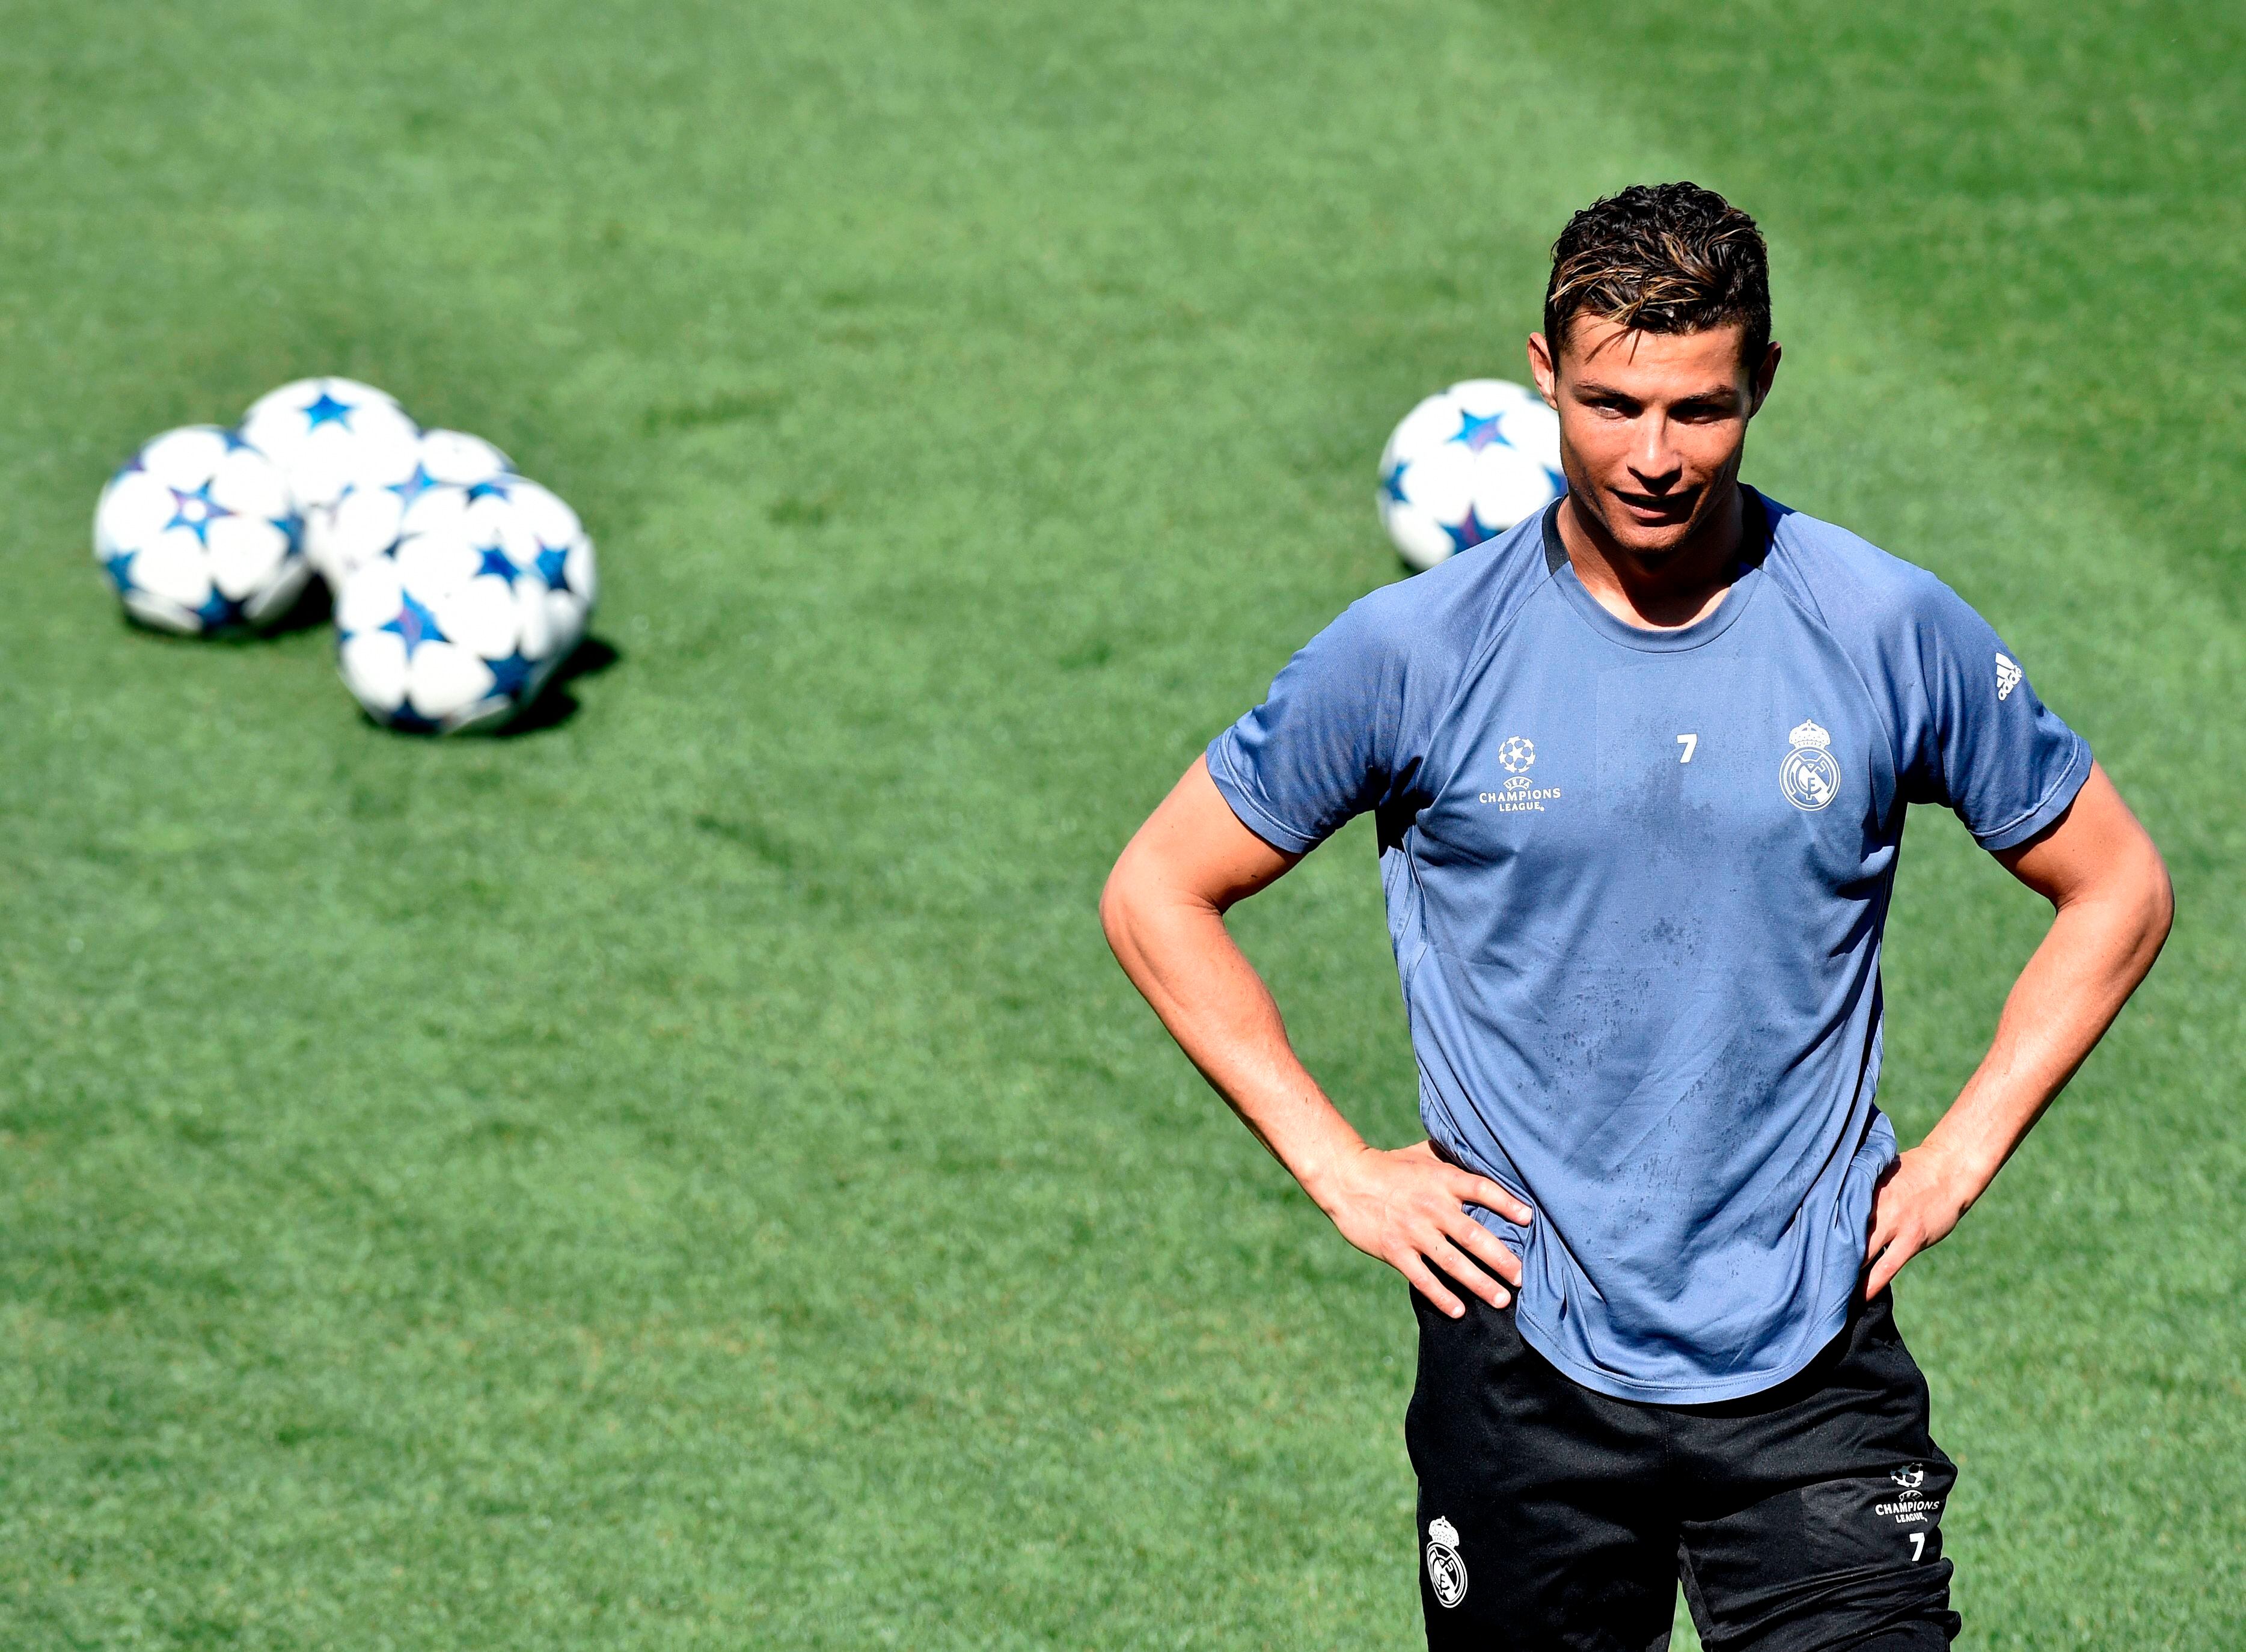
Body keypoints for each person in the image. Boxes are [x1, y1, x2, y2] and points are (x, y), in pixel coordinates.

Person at [1100, 182, 2171, 1650]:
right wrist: (1341, 1169)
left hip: (1812, 1367)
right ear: (1541, 376)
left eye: (1697, 409)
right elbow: (1159, 888)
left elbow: (2113, 882)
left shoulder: (1881, 626)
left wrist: (1955, 1159)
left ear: (1762, 382)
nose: (1653, 457)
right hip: (1520, 1368)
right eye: (1611, 405)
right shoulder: (1414, 653)